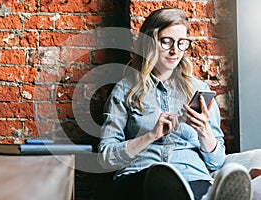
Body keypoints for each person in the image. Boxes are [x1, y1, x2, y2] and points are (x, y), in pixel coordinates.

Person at [97, 8, 252, 200]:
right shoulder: (126, 89)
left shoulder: (199, 90)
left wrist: (205, 131)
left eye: (181, 43)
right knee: (159, 182)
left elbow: (216, 162)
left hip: (192, 177)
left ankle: (205, 195)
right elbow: (106, 158)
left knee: (192, 189)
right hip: (142, 176)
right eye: (166, 42)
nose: (175, 51)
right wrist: (151, 136)